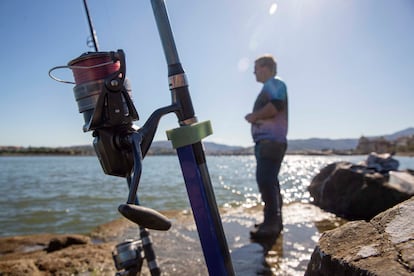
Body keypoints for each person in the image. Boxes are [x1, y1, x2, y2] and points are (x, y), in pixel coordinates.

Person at [245, 54, 288, 239]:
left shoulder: (275, 83)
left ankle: (271, 224)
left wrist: (253, 117)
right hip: (267, 143)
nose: (254, 72)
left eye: (256, 68)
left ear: (266, 67)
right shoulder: (270, 86)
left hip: (271, 142)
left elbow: (275, 106)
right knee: (271, 182)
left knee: (265, 181)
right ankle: (273, 221)